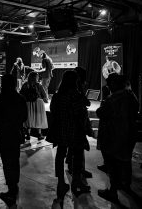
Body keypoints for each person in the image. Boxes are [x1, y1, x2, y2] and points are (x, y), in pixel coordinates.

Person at [47, 70, 90, 198]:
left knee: (60, 155)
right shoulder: (76, 95)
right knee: (76, 157)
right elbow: (82, 111)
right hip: (75, 131)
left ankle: (61, 182)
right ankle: (76, 182)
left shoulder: (57, 96)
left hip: (61, 131)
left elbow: (53, 112)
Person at [96, 74, 138, 203]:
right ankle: (126, 184)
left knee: (113, 165)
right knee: (125, 160)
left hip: (113, 135)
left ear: (115, 84)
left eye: (109, 84)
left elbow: (101, 113)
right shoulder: (132, 96)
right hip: (129, 134)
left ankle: (113, 192)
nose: (108, 86)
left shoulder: (113, 98)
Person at [0, 74, 28, 205]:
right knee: (15, 160)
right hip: (16, 133)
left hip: (4, 134)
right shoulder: (20, 98)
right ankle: (14, 186)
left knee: (7, 162)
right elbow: (24, 117)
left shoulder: (1, 99)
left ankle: (11, 189)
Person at [20, 71, 48, 141]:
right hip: (38, 103)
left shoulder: (25, 85)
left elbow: (21, 94)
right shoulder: (39, 85)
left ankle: (28, 134)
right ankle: (39, 134)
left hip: (28, 103)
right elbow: (44, 96)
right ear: (36, 77)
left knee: (29, 118)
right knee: (38, 118)